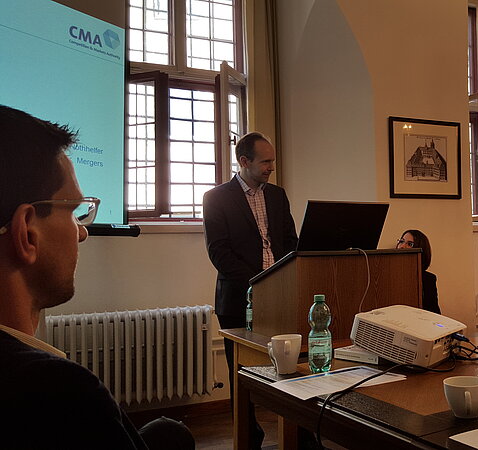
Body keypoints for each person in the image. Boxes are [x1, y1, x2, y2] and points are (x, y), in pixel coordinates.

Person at [0, 105, 193, 449]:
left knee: (168, 433)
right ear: (27, 233)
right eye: (74, 212)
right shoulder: (58, 391)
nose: (82, 233)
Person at [202, 131, 298, 448]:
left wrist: (286, 280)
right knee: (240, 374)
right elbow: (219, 253)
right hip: (237, 300)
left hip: (281, 298)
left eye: (273, 160)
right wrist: (259, 284)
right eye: (266, 162)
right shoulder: (216, 198)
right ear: (244, 161)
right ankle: (249, 437)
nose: (272, 167)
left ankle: (300, 434)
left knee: (292, 368)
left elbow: (290, 243)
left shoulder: (278, 195)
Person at [396, 229, 440, 314]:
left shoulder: (428, 279)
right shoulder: (389, 274)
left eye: (410, 244)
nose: (402, 246)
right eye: (401, 241)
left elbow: (434, 312)